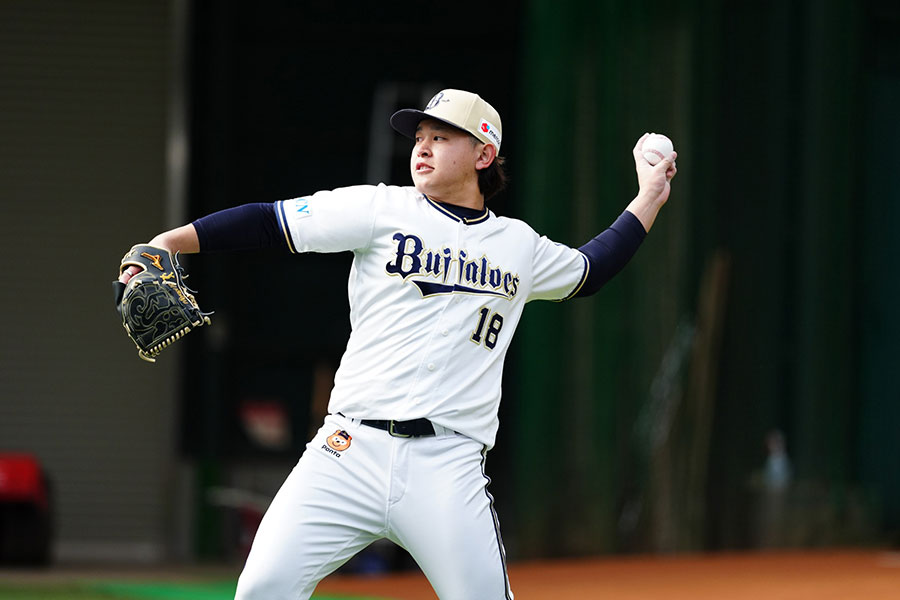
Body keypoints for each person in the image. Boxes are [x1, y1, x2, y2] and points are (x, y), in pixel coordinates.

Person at [119, 89, 676, 599]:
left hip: (448, 463)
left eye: (441, 137)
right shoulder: (381, 208)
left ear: (484, 155)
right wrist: (169, 241)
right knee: (262, 588)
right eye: (419, 138)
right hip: (347, 451)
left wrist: (650, 195)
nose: (423, 148)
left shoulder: (519, 245)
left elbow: (592, 268)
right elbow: (271, 222)